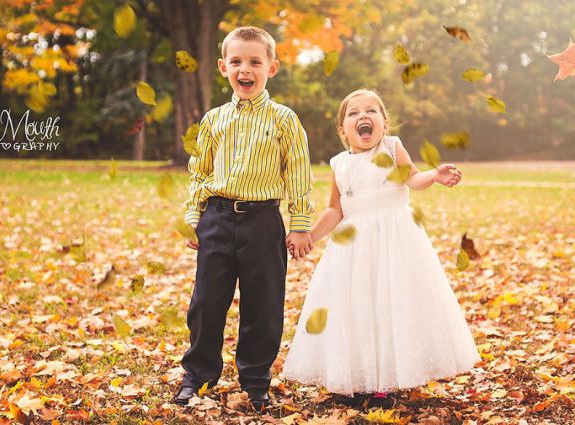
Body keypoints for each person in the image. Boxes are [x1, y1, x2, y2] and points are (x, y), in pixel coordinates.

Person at [283, 89, 480, 409]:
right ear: (342, 130)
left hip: (394, 242)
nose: (363, 116)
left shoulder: (392, 148)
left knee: (389, 305)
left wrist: (434, 175)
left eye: (372, 110)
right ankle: (352, 378)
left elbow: (413, 179)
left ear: (383, 123)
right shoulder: (339, 164)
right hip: (353, 248)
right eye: (354, 113)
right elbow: (335, 210)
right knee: (356, 308)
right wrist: (310, 236)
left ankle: (383, 384)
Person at [176, 26, 314, 410]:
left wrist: (300, 223)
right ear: (223, 67)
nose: (245, 69)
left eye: (255, 61)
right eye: (236, 61)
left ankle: (255, 381)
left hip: (263, 221)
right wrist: (194, 216)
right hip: (217, 217)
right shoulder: (213, 120)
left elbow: (298, 173)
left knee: (264, 304)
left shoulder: (285, 120)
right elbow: (199, 171)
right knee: (206, 302)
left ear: (272, 67)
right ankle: (198, 375)